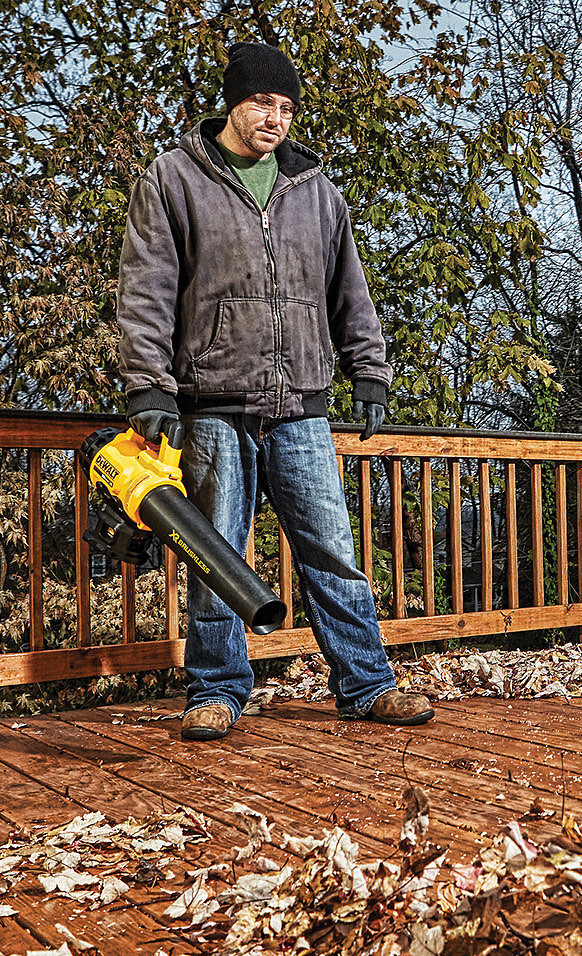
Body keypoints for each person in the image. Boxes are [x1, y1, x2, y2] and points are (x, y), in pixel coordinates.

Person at [116, 40, 434, 740]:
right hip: (213, 402)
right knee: (216, 554)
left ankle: (367, 684)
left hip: (302, 407)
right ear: (232, 101)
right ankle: (217, 690)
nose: (276, 117)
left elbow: (350, 292)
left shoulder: (316, 191)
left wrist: (370, 371)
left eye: (287, 106)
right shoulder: (173, 179)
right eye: (263, 101)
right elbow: (146, 292)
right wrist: (149, 387)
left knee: (333, 551)